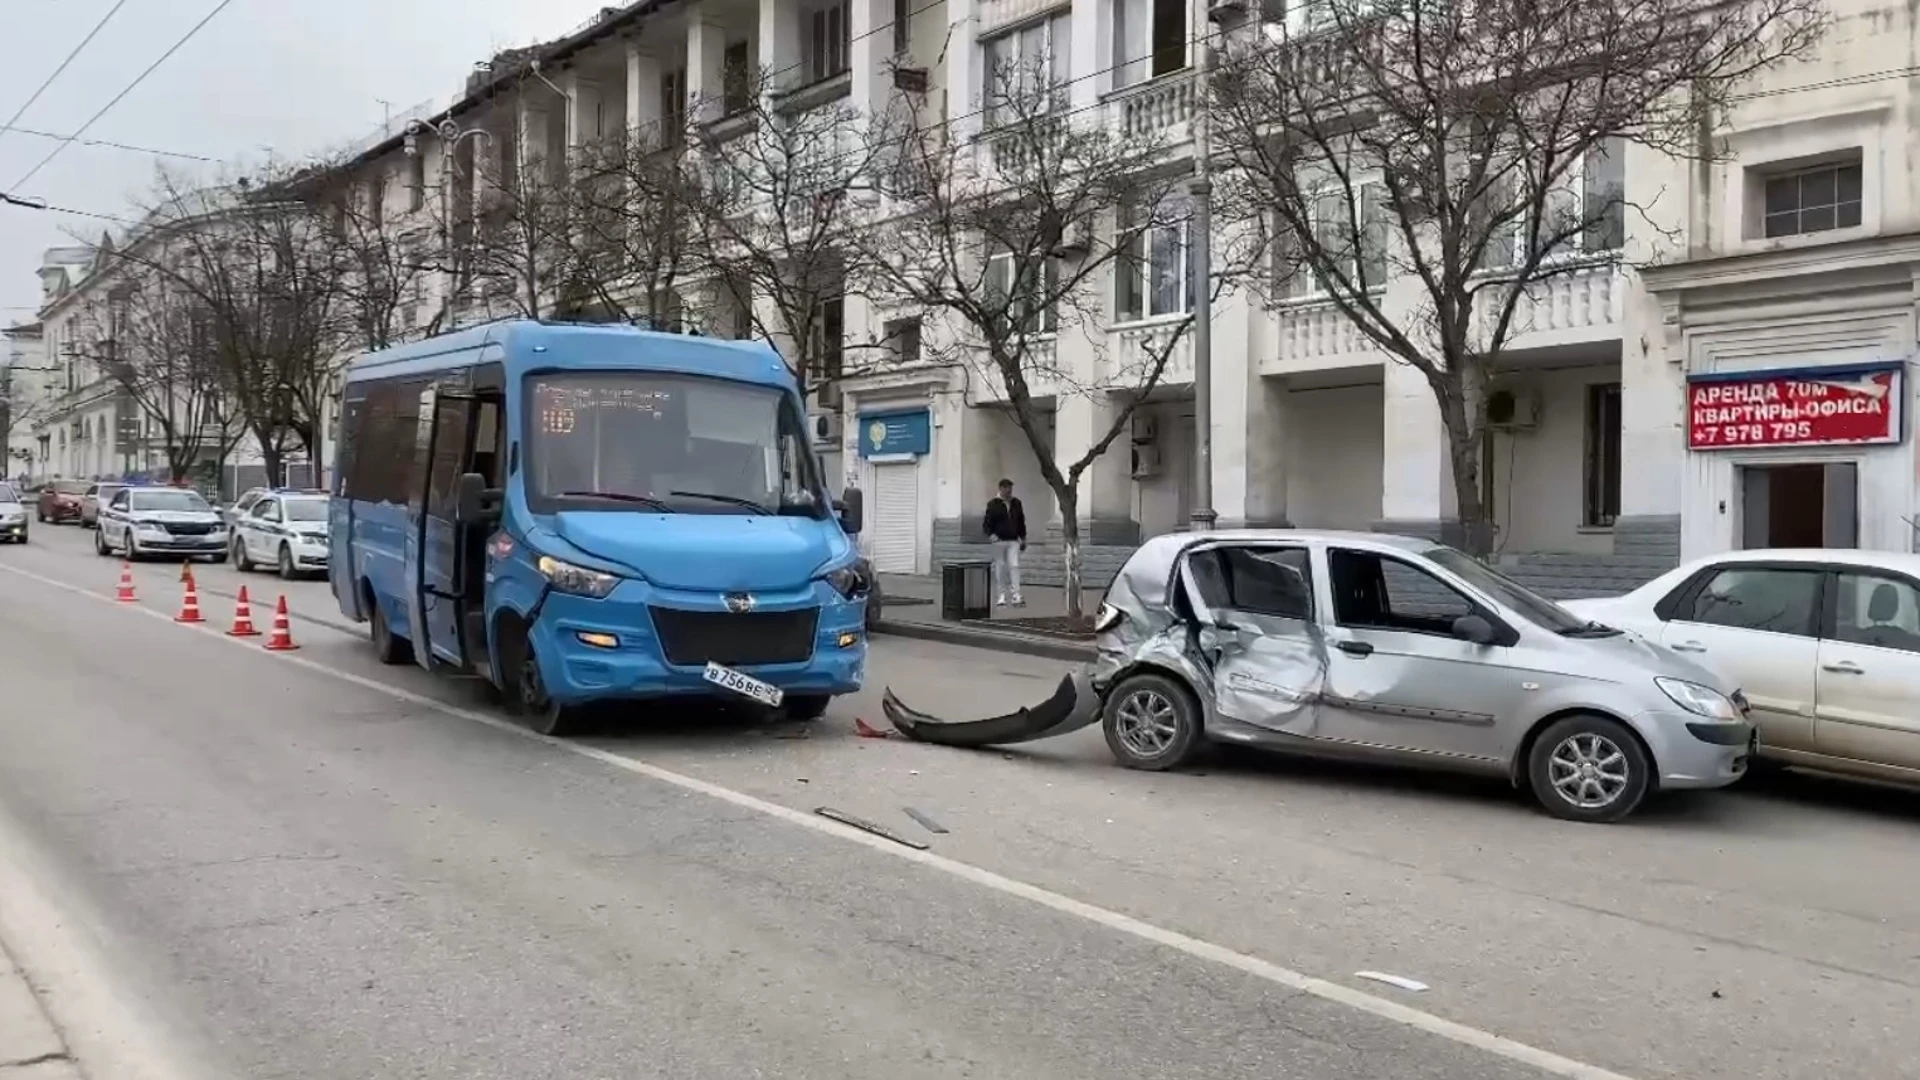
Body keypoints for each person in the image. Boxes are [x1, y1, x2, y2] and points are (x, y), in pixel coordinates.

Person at [981, 478, 1027, 607]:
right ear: (1000, 488)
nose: (1009, 491)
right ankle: (1001, 595)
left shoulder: (1016, 503)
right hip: (999, 541)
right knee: (1000, 568)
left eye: (1010, 489)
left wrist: (1023, 537)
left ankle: (1016, 594)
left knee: (1014, 566)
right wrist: (991, 535)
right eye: (1006, 489)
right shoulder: (993, 504)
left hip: (1013, 540)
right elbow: (986, 523)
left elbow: (1021, 521)